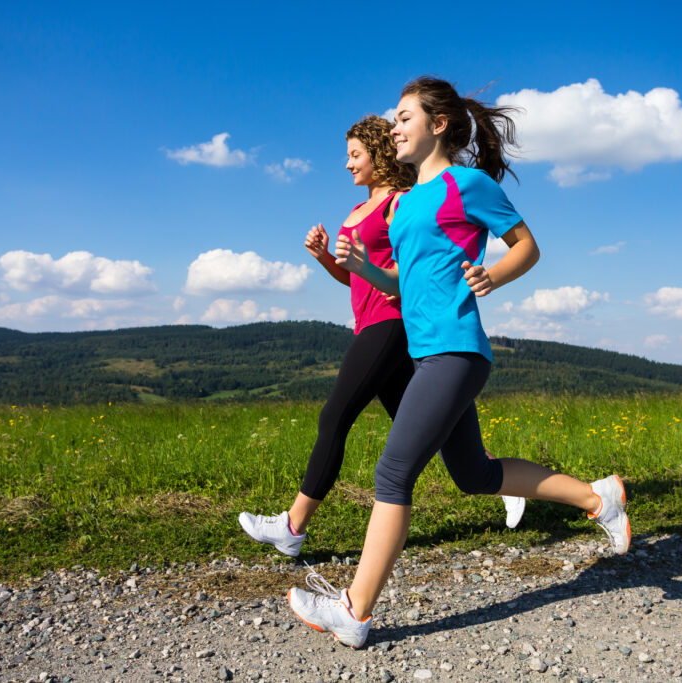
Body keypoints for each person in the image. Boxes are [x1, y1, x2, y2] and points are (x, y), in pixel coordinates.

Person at [287, 77, 631, 648]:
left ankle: (355, 609)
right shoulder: (405, 207)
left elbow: (526, 245)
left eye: (403, 118)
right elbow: (401, 284)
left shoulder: (465, 184)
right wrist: (358, 265)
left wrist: (491, 275)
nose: (392, 128)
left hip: (457, 348)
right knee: (475, 475)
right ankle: (600, 498)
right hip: (426, 354)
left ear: (437, 125)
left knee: (393, 472)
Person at [238, 115, 526, 559]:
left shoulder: (400, 202)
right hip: (369, 319)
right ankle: (496, 478)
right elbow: (357, 280)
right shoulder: (359, 210)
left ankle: (292, 526)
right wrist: (325, 259)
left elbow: (405, 274)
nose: (348, 163)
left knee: (335, 416)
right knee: (435, 433)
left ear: (379, 154)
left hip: (391, 322)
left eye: (356, 154)